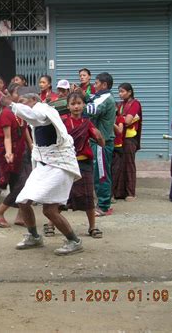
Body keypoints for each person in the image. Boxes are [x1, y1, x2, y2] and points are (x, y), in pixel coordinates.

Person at [1, 86, 83, 256]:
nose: (20, 105)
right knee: (22, 201)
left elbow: (33, 115)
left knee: (49, 210)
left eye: (22, 101)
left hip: (61, 165)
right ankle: (33, 236)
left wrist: (11, 104)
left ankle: (74, 241)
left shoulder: (43, 110)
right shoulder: (36, 118)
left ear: (33, 100)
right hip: (44, 164)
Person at [0, 82, 32, 227]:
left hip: (22, 152)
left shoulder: (20, 111)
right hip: (9, 153)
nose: (22, 95)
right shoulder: (6, 113)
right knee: (21, 185)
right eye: (18, 93)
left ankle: (20, 216)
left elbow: (25, 130)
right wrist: (9, 153)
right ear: (10, 95)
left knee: (23, 184)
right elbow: (7, 137)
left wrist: (31, 146)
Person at [62, 91, 105, 238]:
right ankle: (51, 224)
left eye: (79, 103)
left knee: (88, 196)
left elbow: (100, 141)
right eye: (73, 104)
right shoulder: (62, 122)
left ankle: (92, 227)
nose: (76, 107)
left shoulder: (87, 123)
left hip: (84, 163)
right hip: (66, 163)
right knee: (61, 195)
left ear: (84, 105)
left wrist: (99, 135)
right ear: (68, 106)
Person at [84, 72, 116, 217]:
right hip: (97, 142)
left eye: (96, 83)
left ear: (104, 85)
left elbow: (91, 109)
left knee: (101, 174)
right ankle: (102, 203)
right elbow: (91, 99)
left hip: (102, 142)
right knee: (98, 172)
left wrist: (74, 106)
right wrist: (81, 95)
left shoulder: (105, 99)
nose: (94, 86)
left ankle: (104, 206)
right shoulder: (100, 96)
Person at [111, 106, 125, 202]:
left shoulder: (119, 118)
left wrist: (111, 123)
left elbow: (120, 130)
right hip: (107, 146)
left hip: (117, 147)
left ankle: (113, 194)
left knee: (115, 172)